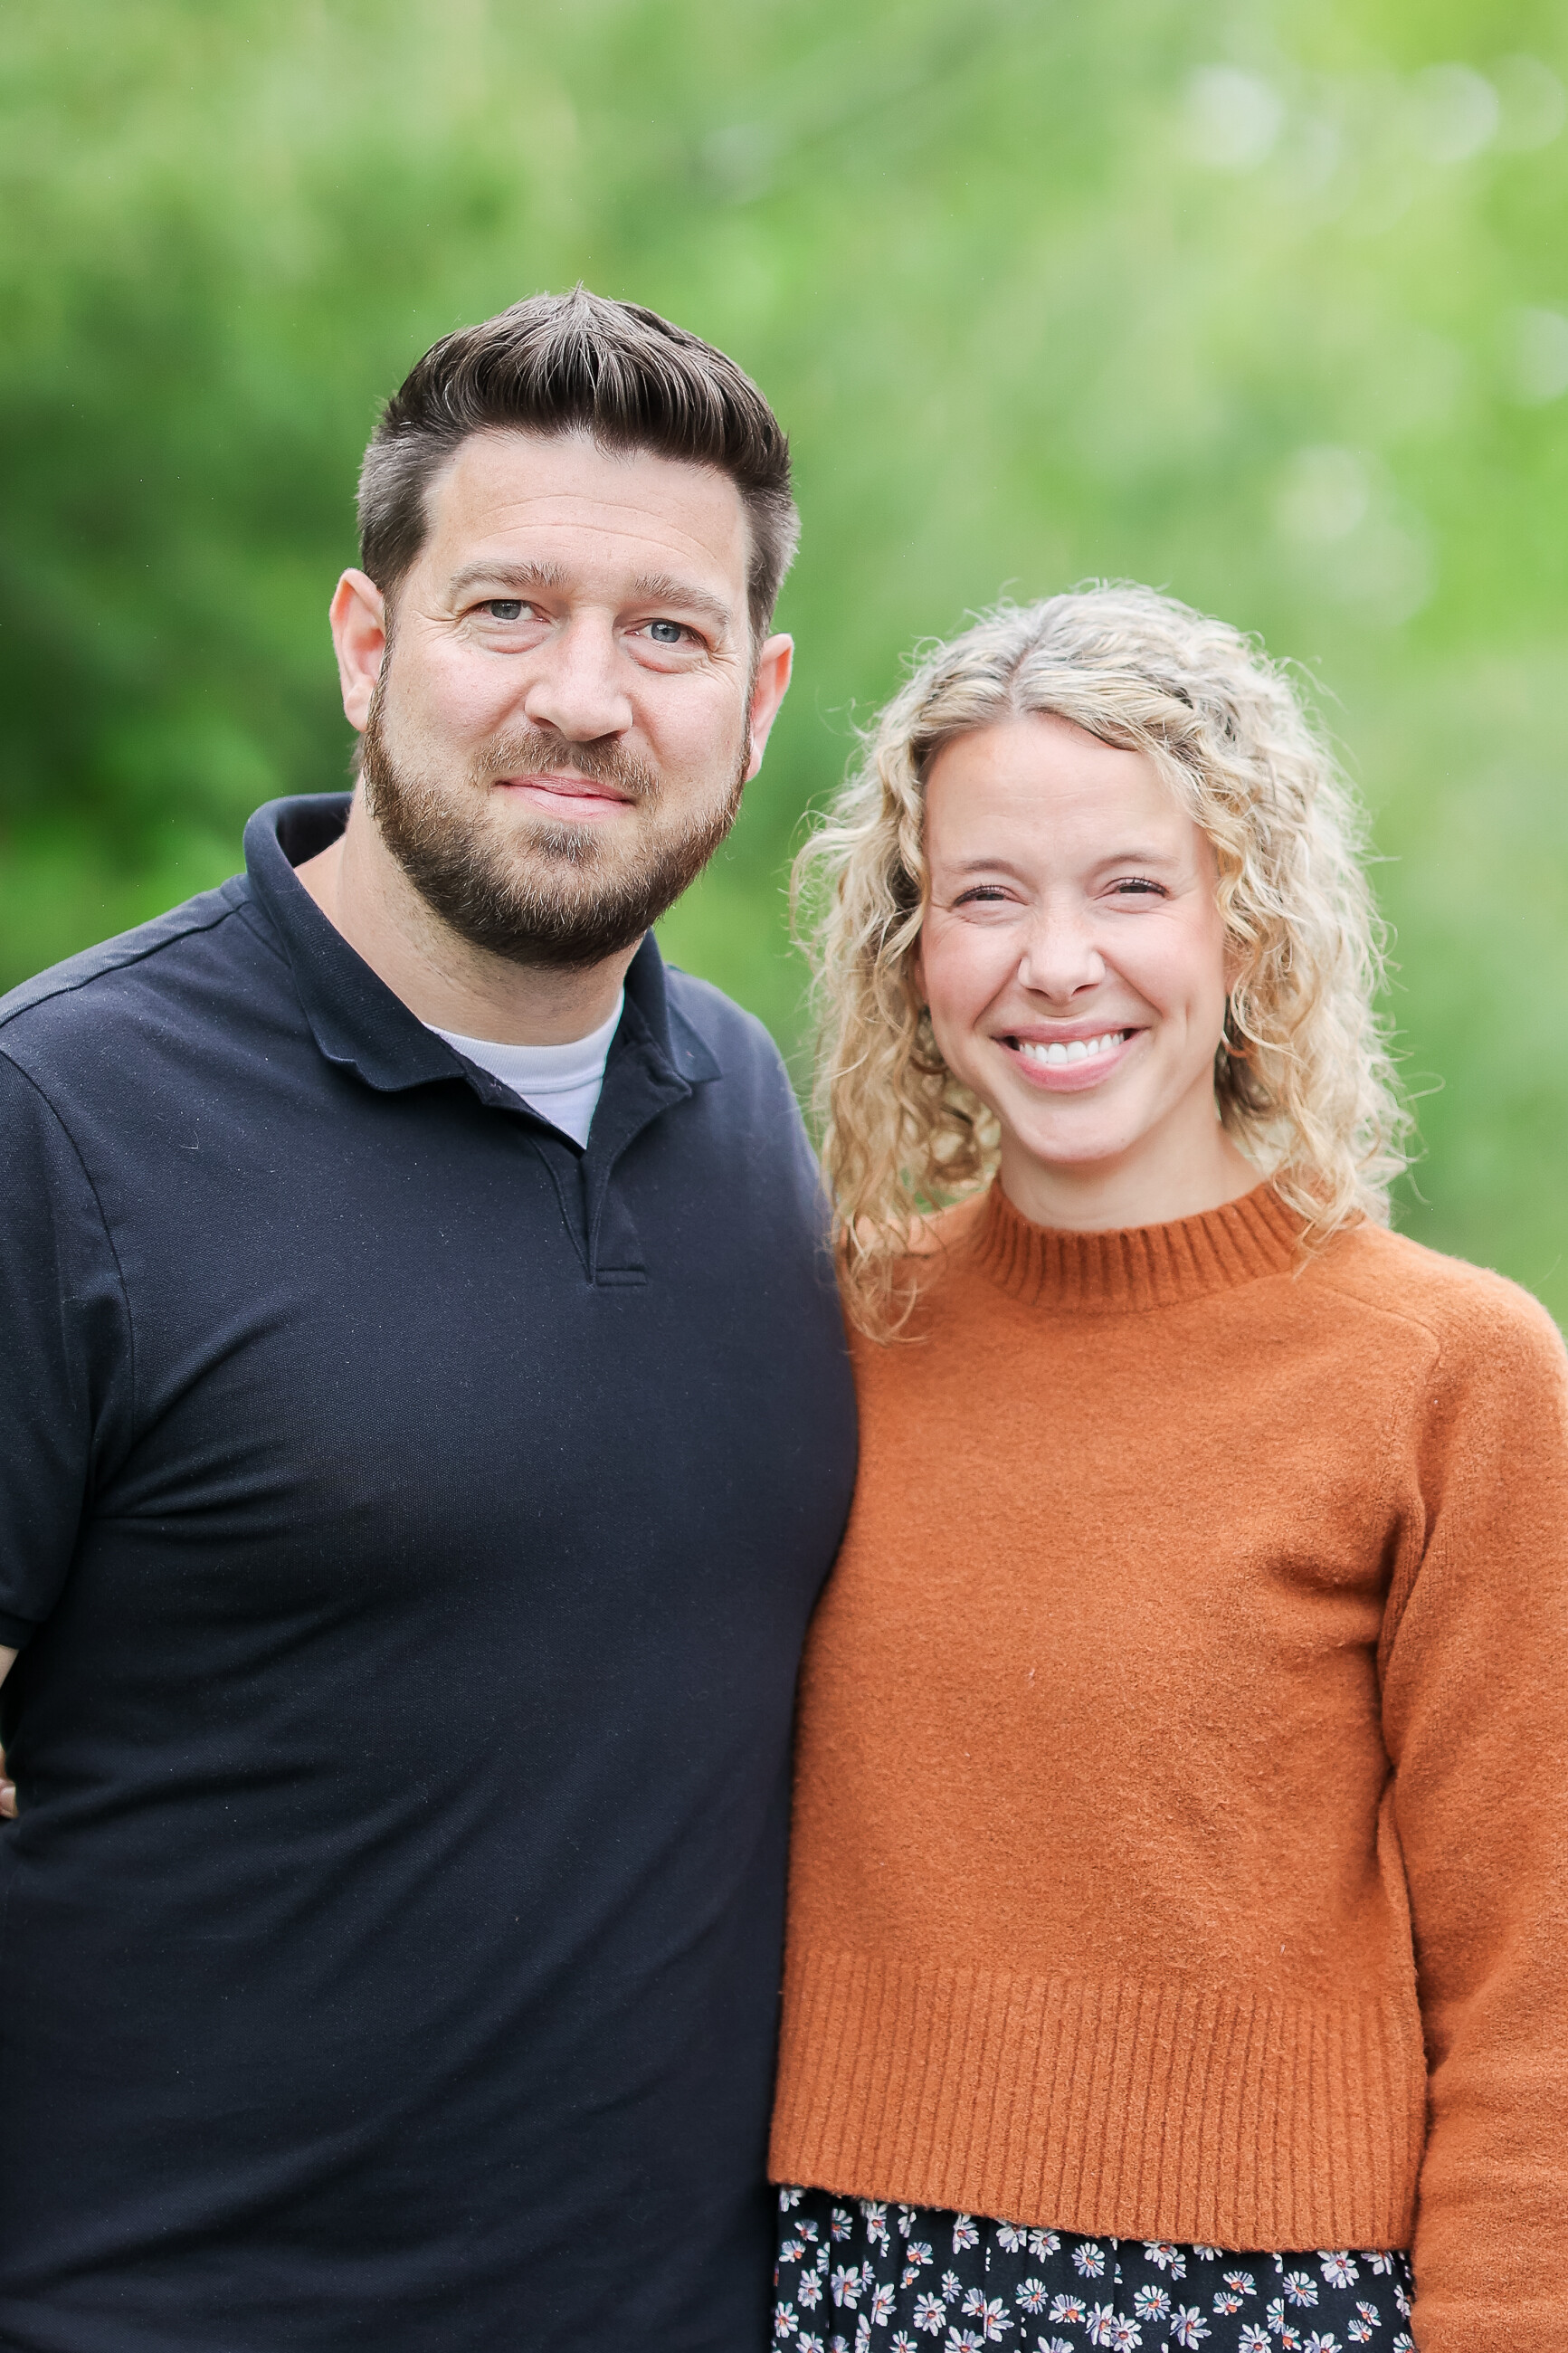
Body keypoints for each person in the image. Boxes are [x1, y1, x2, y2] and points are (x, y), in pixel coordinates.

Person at [0, 288, 856, 2352]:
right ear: (368, 646)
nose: (587, 694)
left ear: (754, 701)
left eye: (668, 631)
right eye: (509, 609)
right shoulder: (59, 1115)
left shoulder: (755, 1113)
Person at [766, 587, 1567, 2353]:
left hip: (1267, 2298)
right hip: (839, 2279)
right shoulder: (819, 1329)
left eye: (1131, 884)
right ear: (909, 948)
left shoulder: (1450, 1370)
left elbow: (1538, 1987)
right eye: (986, 893)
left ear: (1246, 925)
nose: (1057, 961)